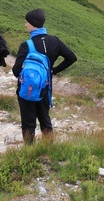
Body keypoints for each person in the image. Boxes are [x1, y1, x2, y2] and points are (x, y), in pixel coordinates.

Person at [12, 9, 77, 144]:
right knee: (45, 120)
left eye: (26, 22)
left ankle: (29, 153)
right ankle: (48, 149)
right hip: (44, 88)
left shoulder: (26, 45)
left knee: (28, 123)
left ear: (32, 23)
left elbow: (16, 71)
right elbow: (71, 57)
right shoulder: (55, 41)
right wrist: (54, 71)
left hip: (26, 90)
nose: (25, 25)